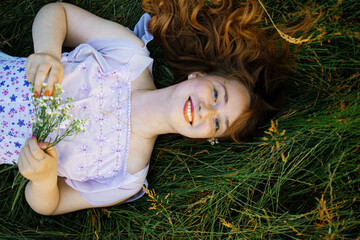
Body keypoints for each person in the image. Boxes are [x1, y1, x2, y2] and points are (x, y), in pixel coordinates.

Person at [0, 0, 310, 215]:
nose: (206, 111)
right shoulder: (129, 56)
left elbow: (48, 205)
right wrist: (48, 53)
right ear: (199, 75)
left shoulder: (126, 176)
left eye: (217, 124)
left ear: (205, 138)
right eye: (216, 95)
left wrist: (43, 179)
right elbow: (58, 14)